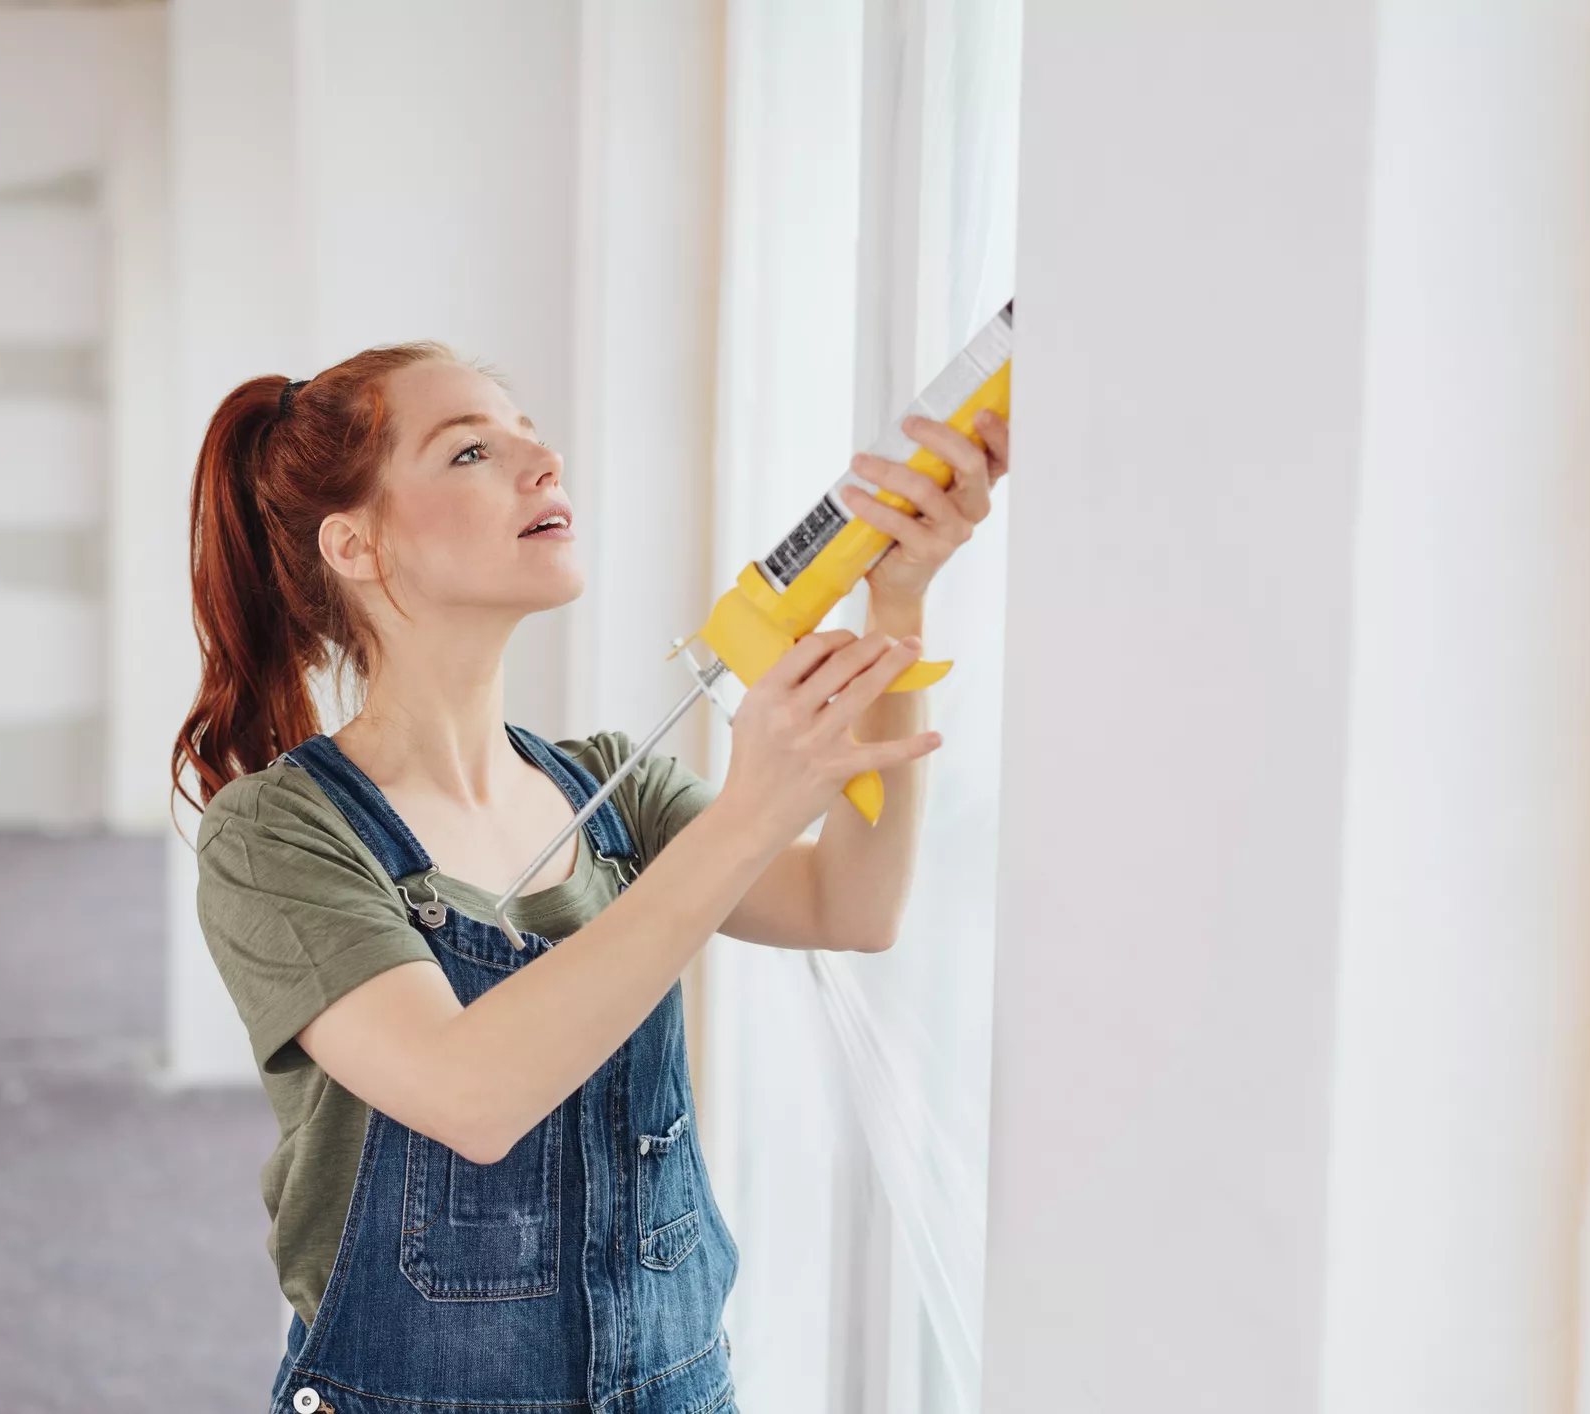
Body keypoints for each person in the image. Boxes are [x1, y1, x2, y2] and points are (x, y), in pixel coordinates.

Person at [176, 341, 1009, 1414]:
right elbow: (470, 1095)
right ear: (357, 543)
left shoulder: (616, 788)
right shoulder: (277, 837)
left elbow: (849, 906)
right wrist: (752, 806)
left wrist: (896, 604)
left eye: (530, 433)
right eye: (471, 449)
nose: (542, 459)